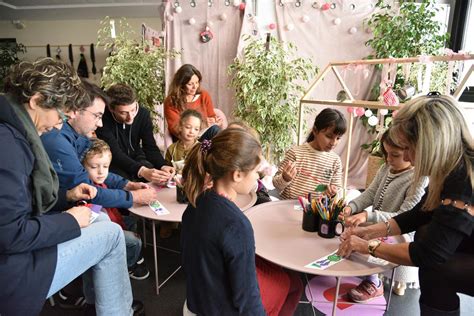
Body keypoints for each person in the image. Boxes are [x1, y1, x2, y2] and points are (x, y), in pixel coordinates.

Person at [0, 58, 142, 315]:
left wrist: (67, 196)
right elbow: (11, 235)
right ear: (36, 100)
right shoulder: (7, 144)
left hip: (18, 253)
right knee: (111, 234)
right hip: (14, 275)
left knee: (100, 222)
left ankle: (95, 304)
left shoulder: (13, 132)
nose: (58, 124)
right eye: (60, 115)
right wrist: (71, 221)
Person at [337, 94, 473, 316]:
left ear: (431, 144)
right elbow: (419, 213)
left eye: (409, 148)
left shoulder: (463, 180)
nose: (408, 157)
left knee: (436, 269)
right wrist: (368, 232)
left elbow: (429, 254)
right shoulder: (448, 169)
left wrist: (366, 246)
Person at [181, 128, 265, 315]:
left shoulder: (195, 203)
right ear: (237, 174)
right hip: (219, 309)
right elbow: (247, 297)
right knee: (289, 284)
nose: (258, 177)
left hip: (196, 302)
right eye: (256, 171)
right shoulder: (236, 225)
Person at [340, 129, 428, 302]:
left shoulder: (418, 178)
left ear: (411, 151)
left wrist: (368, 215)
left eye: (394, 155)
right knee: (349, 233)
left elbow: (405, 216)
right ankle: (364, 273)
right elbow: (370, 193)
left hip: (400, 233)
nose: (388, 159)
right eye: (386, 154)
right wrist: (351, 207)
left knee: (364, 240)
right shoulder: (385, 168)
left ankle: (374, 283)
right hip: (382, 226)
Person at [41, 80, 157, 209]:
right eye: (97, 116)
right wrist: (134, 197)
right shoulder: (58, 141)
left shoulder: (77, 136)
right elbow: (88, 190)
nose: (100, 124)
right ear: (75, 110)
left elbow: (92, 173)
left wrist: (127, 185)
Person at [83, 139, 150, 280]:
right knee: (135, 241)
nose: (101, 172)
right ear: (83, 166)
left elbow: (114, 180)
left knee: (132, 221)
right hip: (101, 228)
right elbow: (94, 219)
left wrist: (131, 185)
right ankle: (127, 266)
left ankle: (129, 255)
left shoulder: (100, 178)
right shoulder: (86, 189)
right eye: (94, 167)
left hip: (113, 217)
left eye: (105, 166)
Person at [96, 83, 175, 183]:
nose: (131, 117)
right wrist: (142, 171)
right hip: (113, 162)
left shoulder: (143, 114)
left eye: (133, 109)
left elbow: (150, 147)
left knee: (158, 176)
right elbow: (115, 153)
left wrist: (162, 165)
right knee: (124, 182)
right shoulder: (102, 119)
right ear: (111, 109)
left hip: (137, 157)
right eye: (123, 112)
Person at [273, 108, 347, 199]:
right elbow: (276, 185)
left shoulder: (335, 161)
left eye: (338, 138)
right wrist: (285, 178)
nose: (333, 142)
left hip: (316, 210)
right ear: (315, 131)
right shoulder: (295, 153)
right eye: (328, 136)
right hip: (289, 207)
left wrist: (333, 193)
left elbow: (337, 192)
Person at [164, 64, 223, 141]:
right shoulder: (171, 101)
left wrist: (215, 121)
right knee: (215, 131)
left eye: (197, 82)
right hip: (184, 141)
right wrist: (203, 125)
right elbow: (176, 129)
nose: (195, 87)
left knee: (218, 131)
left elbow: (211, 117)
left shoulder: (204, 95)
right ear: (181, 85)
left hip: (203, 138)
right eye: (190, 84)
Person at [165, 109, 202, 174]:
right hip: (175, 182)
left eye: (196, 129)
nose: (192, 132)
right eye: (188, 127)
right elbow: (166, 168)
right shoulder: (172, 149)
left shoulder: (201, 149)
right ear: (180, 127)